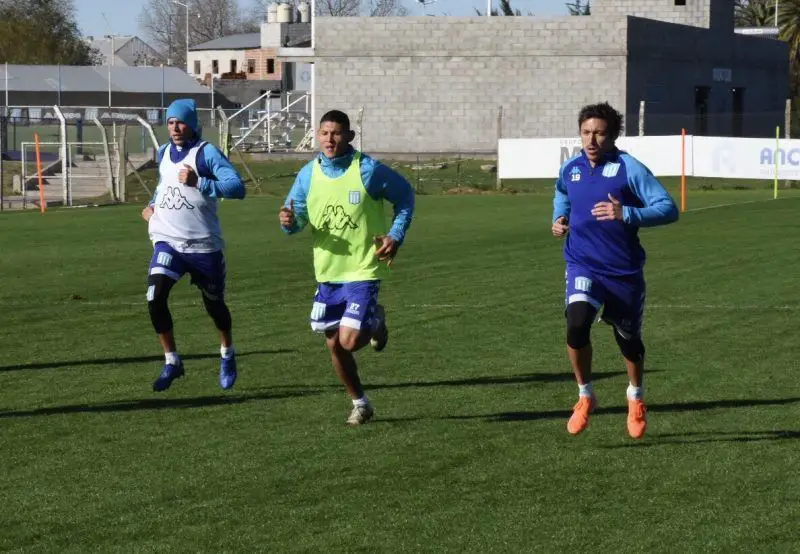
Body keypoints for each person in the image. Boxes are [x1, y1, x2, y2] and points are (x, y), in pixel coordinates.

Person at [551, 101, 678, 439]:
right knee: (576, 324)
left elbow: (669, 208)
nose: (591, 140)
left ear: (613, 136)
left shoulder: (629, 168)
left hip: (623, 271)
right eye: (586, 132)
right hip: (582, 263)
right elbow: (562, 194)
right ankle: (585, 395)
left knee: (629, 342)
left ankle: (635, 397)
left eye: (600, 134)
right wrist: (559, 218)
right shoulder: (571, 168)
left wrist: (627, 214)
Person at [279, 109, 415, 426]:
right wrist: (287, 222)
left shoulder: (367, 169)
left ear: (349, 136)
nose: (330, 139)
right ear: (317, 135)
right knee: (335, 346)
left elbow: (405, 196)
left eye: (337, 133)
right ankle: (360, 404)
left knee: (349, 340)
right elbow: (295, 218)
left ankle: (375, 317)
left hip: (363, 269)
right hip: (328, 272)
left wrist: (395, 235)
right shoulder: (307, 175)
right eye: (325, 133)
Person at [141, 99, 246, 392]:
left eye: (181, 122)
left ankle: (227, 352)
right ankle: (172, 361)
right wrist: (151, 205)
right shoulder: (163, 152)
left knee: (215, 307)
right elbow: (164, 186)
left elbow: (237, 188)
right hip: (168, 242)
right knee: (155, 295)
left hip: (203, 247)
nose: (175, 127)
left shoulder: (206, 153)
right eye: (171, 122)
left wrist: (200, 182)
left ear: (193, 125)